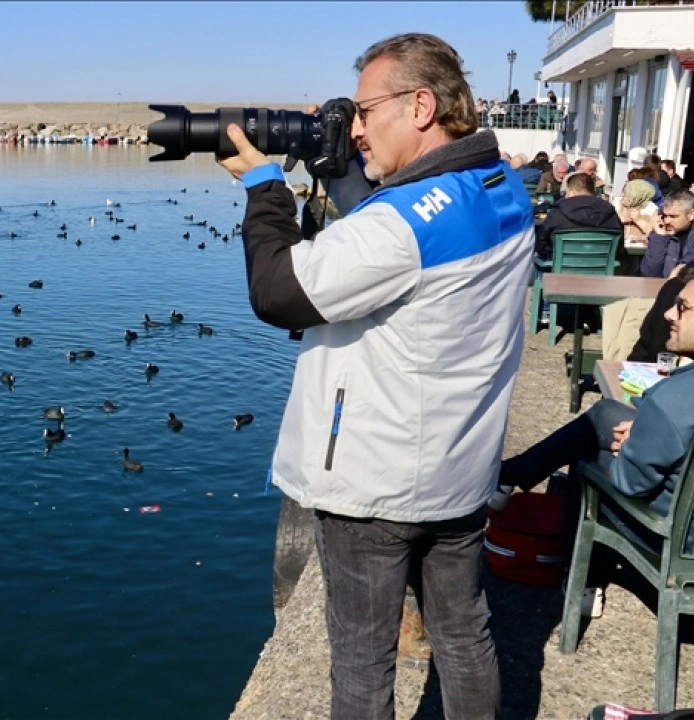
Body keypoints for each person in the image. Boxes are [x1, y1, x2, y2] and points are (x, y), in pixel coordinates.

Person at [217, 32, 531, 719]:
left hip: (375, 486)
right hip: (460, 469)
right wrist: (340, 174)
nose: (354, 127)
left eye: (364, 112)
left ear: (421, 106)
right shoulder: (501, 188)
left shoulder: (395, 227)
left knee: (362, 660)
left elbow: (279, 291)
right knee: (464, 631)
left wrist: (266, 189)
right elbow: (405, 245)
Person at [494, 261, 694, 546]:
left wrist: (634, 443)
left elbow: (630, 483)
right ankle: (510, 474)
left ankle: (581, 577)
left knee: (586, 456)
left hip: (680, 537)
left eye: (682, 306)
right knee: (604, 414)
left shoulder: (673, 400)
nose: (669, 313)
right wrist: (647, 431)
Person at [534, 172, 622, 260]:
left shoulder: (558, 212)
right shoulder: (609, 211)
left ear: (572, 192)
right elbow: (619, 243)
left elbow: (541, 242)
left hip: (562, 266)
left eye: (566, 192)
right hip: (602, 266)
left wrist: (551, 253)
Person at [642, 189, 694, 278]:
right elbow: (649, 273)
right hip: (663, 287)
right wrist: (659, 237)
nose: (667, 221)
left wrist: (683, 265)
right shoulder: (662, 229)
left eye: (673, 216)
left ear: (691, 214)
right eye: (665, 215)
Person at [617, 178, 660, 242]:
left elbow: (656, 234)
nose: (621, 195)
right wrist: (619, 219)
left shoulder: (651, 210)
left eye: (625, 194)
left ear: (636, 196)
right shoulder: (617, 204)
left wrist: (638, 219)